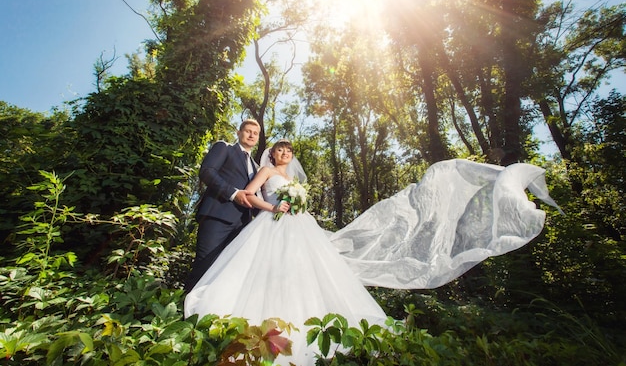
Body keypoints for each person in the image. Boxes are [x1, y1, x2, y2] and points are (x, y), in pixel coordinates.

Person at [184, 140, 561, 365]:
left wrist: (296, 206)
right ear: (272, 153)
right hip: (272, 226)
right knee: (265, 272)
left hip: (298, 226)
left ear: (291, 155)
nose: (283, 153)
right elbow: (250, 196)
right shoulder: (265, 172)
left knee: (309, 272)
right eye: (279, 148)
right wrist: (275, 208)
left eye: (288, 150)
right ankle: (258, 329)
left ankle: (311, 325)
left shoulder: (295, 179)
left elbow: (292, 201)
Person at [184, 119, 261, 293]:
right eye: (248, 131)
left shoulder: (256, 167)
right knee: (204, 266)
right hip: (217, 217)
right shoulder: (224, 148)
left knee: (226, 272)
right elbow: (207, 171)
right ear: (239, 133)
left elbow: (253, 198)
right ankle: (184, 315)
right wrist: (233, 194)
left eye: (255, 133)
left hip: (242, 226)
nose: (251, 135)